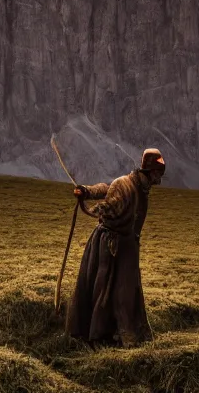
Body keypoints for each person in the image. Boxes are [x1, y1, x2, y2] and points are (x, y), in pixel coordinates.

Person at [65, 148, 166, 347]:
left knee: (126, 292)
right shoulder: (126, 185)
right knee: (106, 288)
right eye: (157, 174)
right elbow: (110, 203)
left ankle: (120, 333)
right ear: (149, 172)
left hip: (127, 246)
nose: (158, 180)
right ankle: (100, 335)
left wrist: (86, 192)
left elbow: (106, 188)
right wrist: (88, 200)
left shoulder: (138, 186)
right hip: (110, 245)